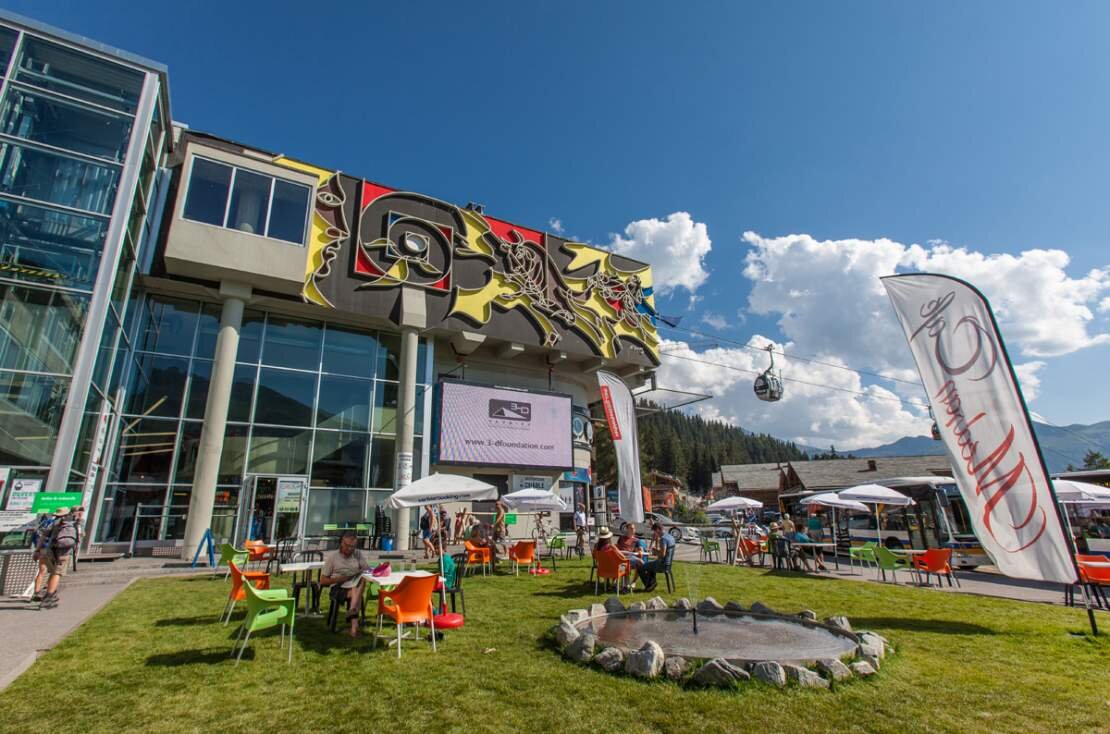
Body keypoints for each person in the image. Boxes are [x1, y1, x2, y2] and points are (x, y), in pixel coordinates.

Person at [320, 530, 371, 637]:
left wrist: (363, 569)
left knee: (361, 579)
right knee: (356, 592)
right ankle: (353, 628)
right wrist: (340, 579)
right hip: (339, 587)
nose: (350, 549)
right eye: (347, 545)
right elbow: (323, 580)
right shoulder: (333, 557)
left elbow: (366, 569)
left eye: (353, 546)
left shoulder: (357, 554)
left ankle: (352, 614)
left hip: (354, 585)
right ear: (341, 543)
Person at [31, 507, 79, 608]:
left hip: (51, 551)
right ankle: (49, 596)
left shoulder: (53, 523)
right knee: (56, 573)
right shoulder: (72, 523)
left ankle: (45, 592)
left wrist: (37, 550)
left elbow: (43, 536)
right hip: (64, 553)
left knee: (50, 572)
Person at [637, 522, 675, 593]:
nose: (655, 534)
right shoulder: (670, 537)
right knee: (651, 565)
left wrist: (655, 553)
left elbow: (662, 554)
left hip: (662, 565)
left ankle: (650, 585)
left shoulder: (663, 539)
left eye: (655, 532)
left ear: (657, 529)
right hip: (668, 564)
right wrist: (656, 550)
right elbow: (666, 552)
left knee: (640, 567)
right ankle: (652, 583)